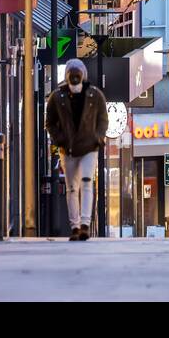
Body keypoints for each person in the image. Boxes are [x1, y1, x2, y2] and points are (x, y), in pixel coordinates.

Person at [45, 58, 108, 241]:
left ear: (82, 77)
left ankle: (84, 225)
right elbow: (50, 122)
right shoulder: (57, 97)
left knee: (86, 182)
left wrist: (97, 138)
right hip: (69, 149)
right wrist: (60, 139)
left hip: (89, 147)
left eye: (77, 79)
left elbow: (103, 119)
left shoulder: (95, 95)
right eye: (72, 79)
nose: (74, 84)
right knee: (72, 187)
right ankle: (75, 226)